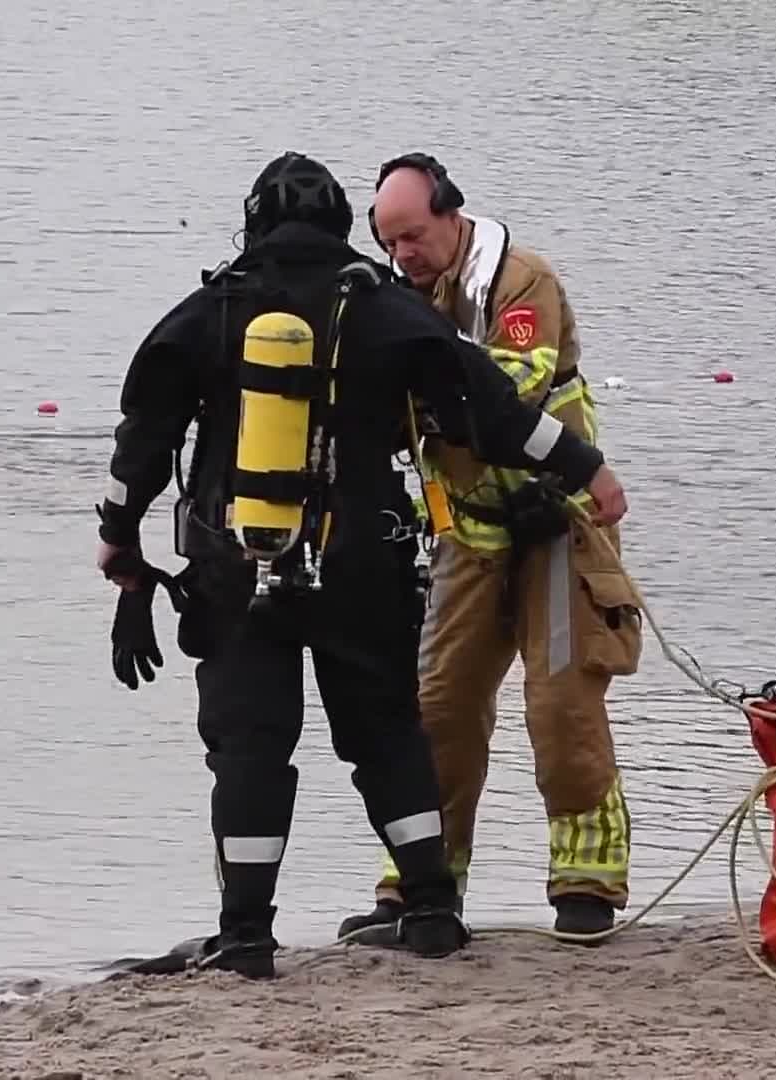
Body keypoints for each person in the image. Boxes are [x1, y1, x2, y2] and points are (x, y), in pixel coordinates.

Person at [93, 151, 630, 980]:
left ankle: (244, 936)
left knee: (249, 748)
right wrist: (583, 467)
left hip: (240, 569)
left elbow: (145, 439)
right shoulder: (383, 307)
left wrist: (121, 548)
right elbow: (488, 406)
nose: (404, 251)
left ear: (252, 222)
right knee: (389, 734)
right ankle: (429, 910)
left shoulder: (211, 308)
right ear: (352, 229)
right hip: (363, 567)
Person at [343, 153, 643, 942]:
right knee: (438, 709)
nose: (403, 255)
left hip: (559, 522)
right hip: (467, 528)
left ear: (451, 215)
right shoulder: (397, 297)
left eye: (413, 236)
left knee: (563, 705)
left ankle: (587, 883)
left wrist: (412, 376)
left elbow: (509, 387)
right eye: (389, 243)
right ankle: (421, 882)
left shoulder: (521, 281)